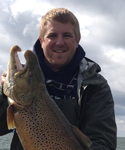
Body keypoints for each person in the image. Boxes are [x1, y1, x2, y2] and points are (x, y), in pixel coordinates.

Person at [0, 8, 117, 150]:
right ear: (41, 40)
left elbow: (102, 141)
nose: (60, 42)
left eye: (67, 35)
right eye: (52, 36)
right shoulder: (26, 79)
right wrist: (2, 92)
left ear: (77, 40)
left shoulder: (95, 86)